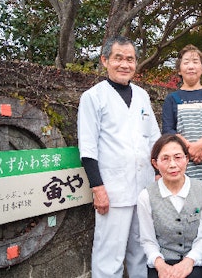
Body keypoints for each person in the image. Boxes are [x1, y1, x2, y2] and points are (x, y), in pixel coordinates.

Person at [77, 36, 161, 278]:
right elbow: (88, 148)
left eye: (130, 59)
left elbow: (154, 140)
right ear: (105, 60)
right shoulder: (93, 97)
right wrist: (98, 188)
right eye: (118, 58)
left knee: (141, 250)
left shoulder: (142, 95)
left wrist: (157, 175)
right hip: (113, 190)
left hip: (144, 187)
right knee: (109, 254)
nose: (125, 64)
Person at [137, 134, 202, 278]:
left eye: (178, 157)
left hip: (196, 259)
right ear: (155, 163)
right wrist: (160, 265)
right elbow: (148, 240)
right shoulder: (146, 196)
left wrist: (189, 261)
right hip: (163, 259)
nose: (172, 165)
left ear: (187, 159)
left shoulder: (201, 190)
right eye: (165, 159)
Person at [162, 44, 202, 195]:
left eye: (195, 62)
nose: (191, 66)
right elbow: (168, 130)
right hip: (183, 159)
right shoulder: (172, 99)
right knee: (187, 200)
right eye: (186, 62)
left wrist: (199, 146)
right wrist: (189, 149)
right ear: (179, 69)